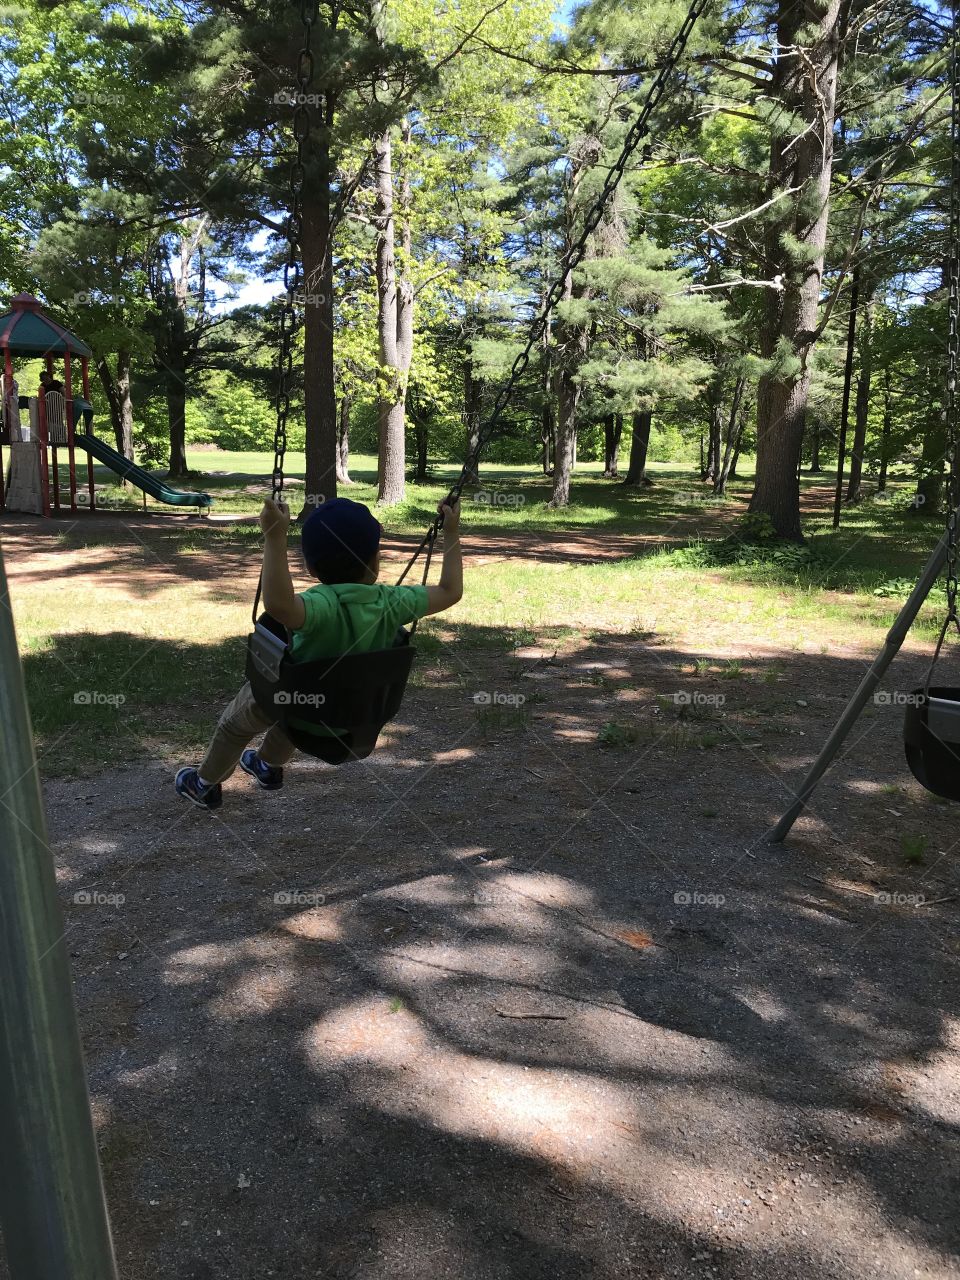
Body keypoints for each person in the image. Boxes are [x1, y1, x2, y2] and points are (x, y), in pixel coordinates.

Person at [175, 494, 463, 809]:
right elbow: (451, 591)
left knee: (249, 714)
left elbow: (279, 604)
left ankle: (204, 784)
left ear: (311, 568)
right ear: (375, 561)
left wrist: (274, 537)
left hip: (301, 711)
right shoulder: (394, 603)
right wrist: (450, 532)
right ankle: (267, 766)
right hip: (347, 722)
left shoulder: (319, 606)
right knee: (304, 699)